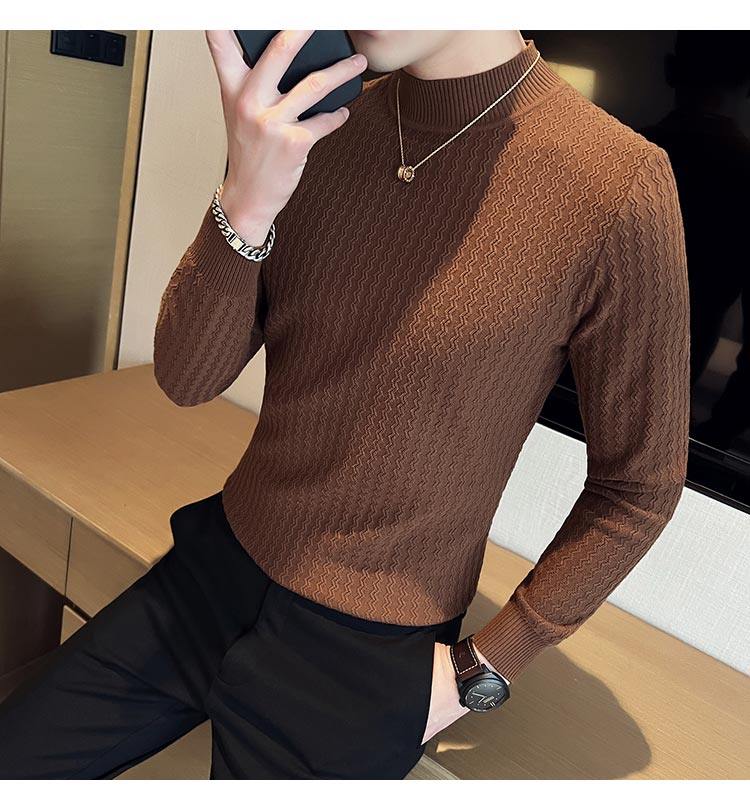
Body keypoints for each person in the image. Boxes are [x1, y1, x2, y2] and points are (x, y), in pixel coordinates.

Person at [0, 29, 690, 779]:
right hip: (215, 567)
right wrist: (245, 198)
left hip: (365, 653)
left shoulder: (615, 182)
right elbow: (188, 377)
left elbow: (638, 487)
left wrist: (480, 670)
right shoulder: (319, 123)